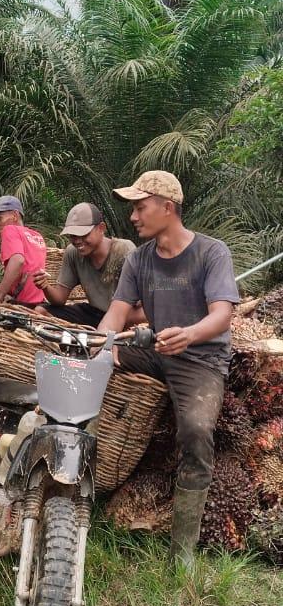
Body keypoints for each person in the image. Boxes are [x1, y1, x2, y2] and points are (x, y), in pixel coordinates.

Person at [97, 170, 239, 573]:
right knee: (90, 367)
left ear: (167, 208)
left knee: (195, 431)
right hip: (155, 349)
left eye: (140, 208)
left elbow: (222, 316)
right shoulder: (139, 260)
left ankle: (183, 553)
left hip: (200, 360)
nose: (134, 217)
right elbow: (117, 313)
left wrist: (189, 335)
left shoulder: (212, 252)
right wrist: (98, 344)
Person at [33, 201, 141, 326]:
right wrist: (45, 286)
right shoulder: (73, 253)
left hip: (123, 316)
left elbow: (141, 302)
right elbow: (59, 299)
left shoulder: (124, 250)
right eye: (73, 236)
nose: (78, 241)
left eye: (83, 234)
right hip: (94, 313)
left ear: (101, 228)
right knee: (41, 312)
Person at [0, 195, 46, 307]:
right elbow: (24, 257)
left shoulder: (9, 230)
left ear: (14, 215)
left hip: (22, 304)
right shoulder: (36, 236)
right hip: (38, 304)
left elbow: (18, 260)